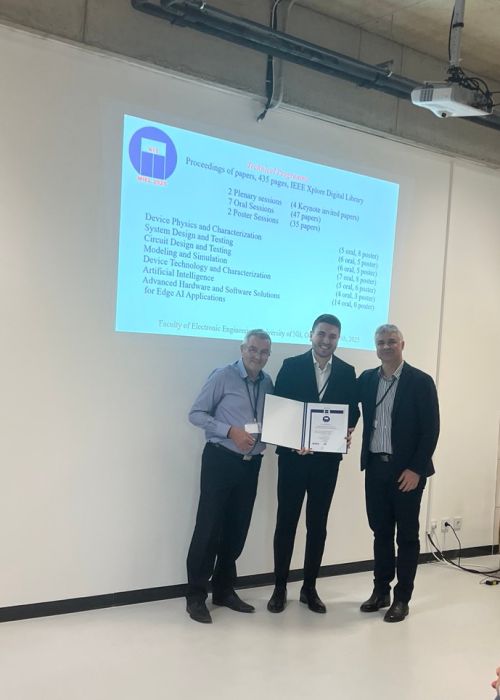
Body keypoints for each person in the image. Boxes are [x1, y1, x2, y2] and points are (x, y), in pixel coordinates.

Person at [267, 314, 359, 614]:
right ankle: (280, 588)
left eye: (332, 336)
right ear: (311, 335)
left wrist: (347, 430)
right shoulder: (291, 365)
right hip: (293, 459)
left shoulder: (346, 371)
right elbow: (279, 408)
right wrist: (293, 439)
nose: (326, 341)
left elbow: (353, 411)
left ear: (338, 339)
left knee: (317, 526)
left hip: (326, 463)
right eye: (321, 334)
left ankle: (309, 588)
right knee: (286, 523)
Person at [186, 329, 273, 624]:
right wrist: (230, 431)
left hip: (251, 464)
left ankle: (224, 590)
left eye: (263, 352)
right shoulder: (223, 376)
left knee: (237, 530)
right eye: (253, 349)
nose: (257, 356)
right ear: (242, 349)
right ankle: (196, 595)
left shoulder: (268, 382)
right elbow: (196, 414)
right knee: (208, 527)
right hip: (220, 460)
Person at [357, 324, 440, 622]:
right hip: (375, 468)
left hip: (407, 473)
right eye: (381, 342)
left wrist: (416, 469)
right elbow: (348, 409)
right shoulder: (367, 379)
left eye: (392, 341)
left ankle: (402, 598)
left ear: (402, 344)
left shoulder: (421, 381)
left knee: (406, 536)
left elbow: (431, 429)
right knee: (380, 532)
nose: (386, 346)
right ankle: (381, 591)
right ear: (375, 346)